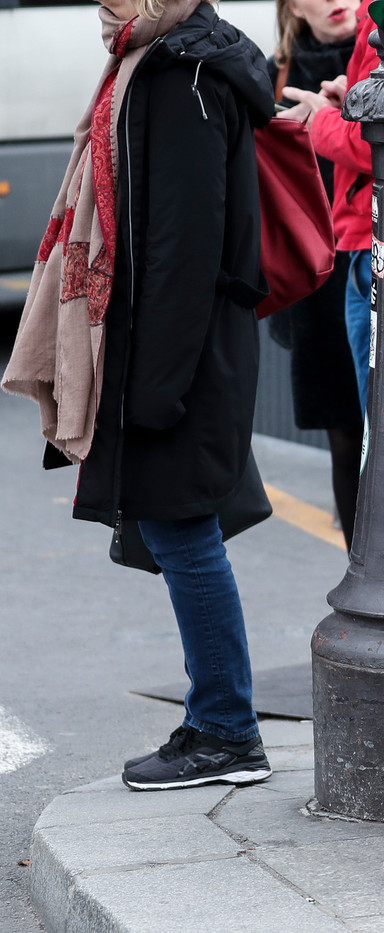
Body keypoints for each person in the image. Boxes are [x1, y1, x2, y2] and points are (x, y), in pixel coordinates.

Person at [2, 0, 276, 788]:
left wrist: (155, 385)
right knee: (181, 525)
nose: (106, 0)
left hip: (176, 352)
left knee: (182, 527)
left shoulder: (182, 76)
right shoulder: (155, 63)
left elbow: (185, 244)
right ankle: (218, 718)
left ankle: (226, 728)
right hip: (172, 343)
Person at [266, 0, 362, 548]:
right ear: (292, 7)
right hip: (316, 275)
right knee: (344, 435)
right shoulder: (272, 72)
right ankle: (358, 570)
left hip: (376, 256)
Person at [287, 0, 377, 415]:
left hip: (366, 242)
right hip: (353, 242)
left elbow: (380, 139)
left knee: (378, 425)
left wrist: (322, 119)